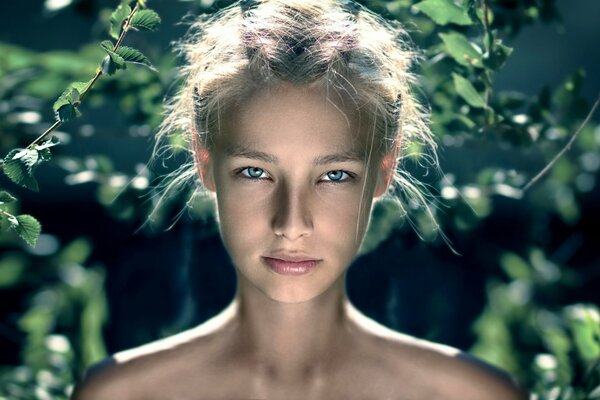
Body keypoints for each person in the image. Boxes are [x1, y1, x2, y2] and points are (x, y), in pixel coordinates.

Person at [72, 0, 529, 398]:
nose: (291, 224)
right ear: (204, 160)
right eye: (255, 172)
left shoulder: (470, 396)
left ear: (383, 172)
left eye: (334, 175)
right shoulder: (122, 395)